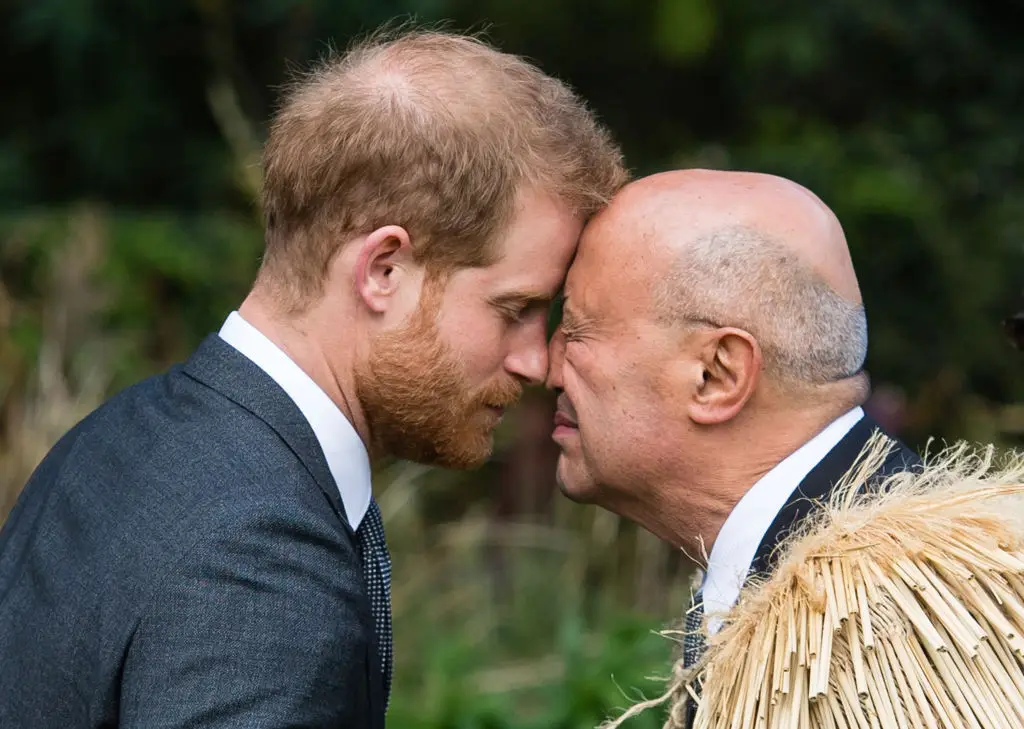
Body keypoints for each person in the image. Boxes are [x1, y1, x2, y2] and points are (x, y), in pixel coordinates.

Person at [0, 29, 626, 729]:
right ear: (383, 269)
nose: (535, 361)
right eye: (516, 308)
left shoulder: (117, 438)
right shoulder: (261, 562)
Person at [545, 169, 920, 721]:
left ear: (716, 375)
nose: (543, 367)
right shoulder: (827, 575)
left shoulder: (891, 626)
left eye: (575, 332)